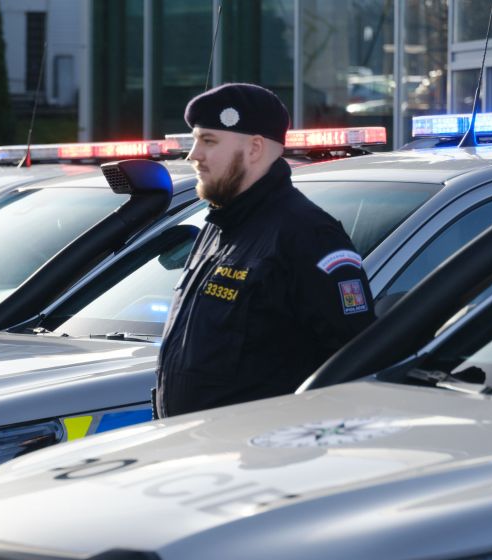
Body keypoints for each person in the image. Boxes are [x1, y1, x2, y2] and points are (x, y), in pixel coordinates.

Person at [154, 82, 375, 418]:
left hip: (259, 458)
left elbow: (350, 365)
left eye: (208, 141)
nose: (193, 155)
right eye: (195, 141)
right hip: (197, 452)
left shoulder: (309, 236)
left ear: (255, 148)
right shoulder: (219, 226)